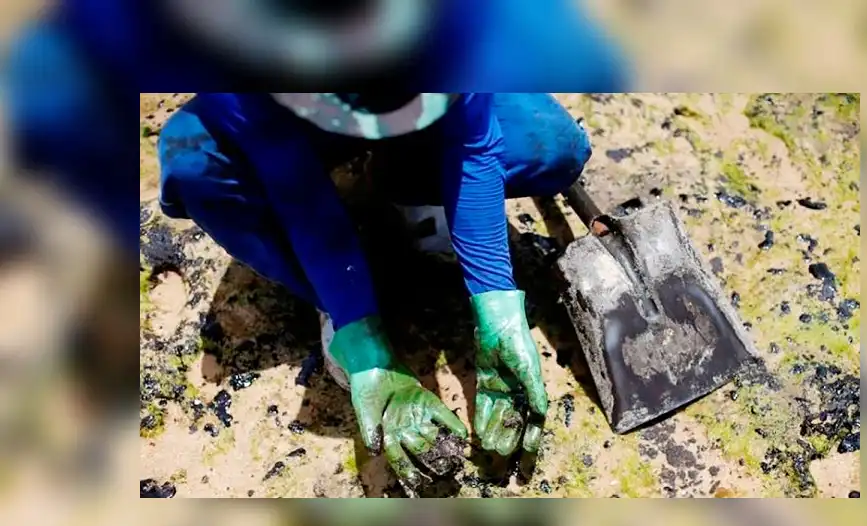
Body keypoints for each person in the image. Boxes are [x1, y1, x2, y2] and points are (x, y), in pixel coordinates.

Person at [158, 93, 593, 490]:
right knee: (193, 163)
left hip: (411, 113)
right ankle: (332, 301)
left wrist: (497, 299)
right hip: (287, 120)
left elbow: (475, 143)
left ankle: (409, 183)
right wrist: (359, 329)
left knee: (554, 145)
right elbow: (299, 194)